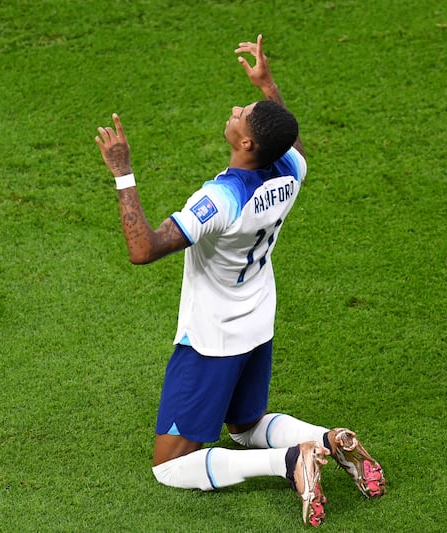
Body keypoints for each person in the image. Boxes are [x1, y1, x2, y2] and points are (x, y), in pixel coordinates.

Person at [94, 34, 386, 527]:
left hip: (212, 337)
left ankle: (291, 461)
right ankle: (331, 439)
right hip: (258, 319)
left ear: (247, 143)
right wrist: (268, 84)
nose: (234, 109)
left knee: (169, 466)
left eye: (242, 113)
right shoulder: (291, 170)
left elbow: (142, 249)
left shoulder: (221, 200)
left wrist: (123, 171)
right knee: (245, 424)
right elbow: (288, 137)